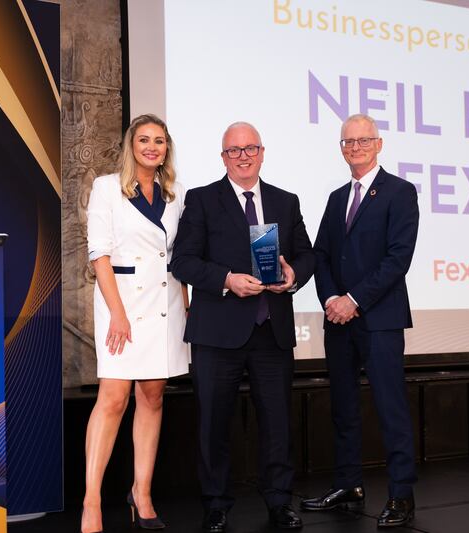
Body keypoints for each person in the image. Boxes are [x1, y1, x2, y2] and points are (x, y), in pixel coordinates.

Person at [171, 122, 314, 531]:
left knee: (277, 424)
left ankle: (279, 501)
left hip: (272, 331)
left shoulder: (286, 202)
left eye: (250, 148)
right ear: (223, 158)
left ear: (262, 152)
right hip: (217, 333)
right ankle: (216, 504)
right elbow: (183, 261)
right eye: (234, 150)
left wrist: (293, 274)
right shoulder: (201, 201)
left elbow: (307, 255)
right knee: (213, 423)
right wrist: (227, 280)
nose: (243, 155)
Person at [302, 114, 420, 528]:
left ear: (379, 143)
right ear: (340, 148)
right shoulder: (337, 198)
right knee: (344, 408)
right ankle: (349, 487)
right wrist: (333, 298)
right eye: (347, 141)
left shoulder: (401, 193)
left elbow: (397, 260)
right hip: (339, 321)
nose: (355, 147)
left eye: (363, 140)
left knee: (390, 408)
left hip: (380, 320)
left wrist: (354, 299)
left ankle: (401, 495)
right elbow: (321, 255)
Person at [82, 114, 189, 533]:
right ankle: (92, 501)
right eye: (144, 140)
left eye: (159, 141)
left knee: (153, 397)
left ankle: (141, 492)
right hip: (120, 306)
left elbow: (177, 256)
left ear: (167, 148)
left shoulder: (175, 194)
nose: (152, 147)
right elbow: (98, 254)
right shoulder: (107, 188)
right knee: (112, 399)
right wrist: (119, 314)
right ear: (131, 146)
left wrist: (187, 304)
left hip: (166, 306)